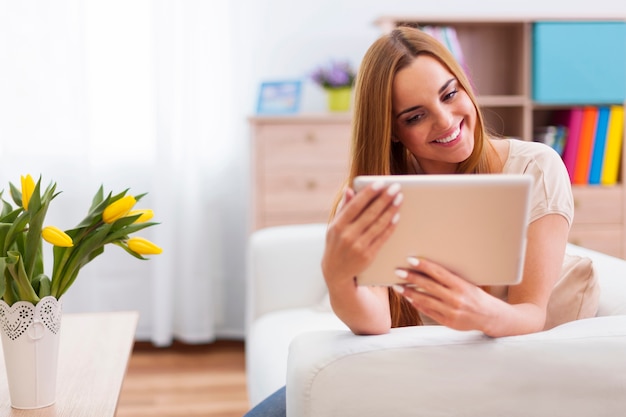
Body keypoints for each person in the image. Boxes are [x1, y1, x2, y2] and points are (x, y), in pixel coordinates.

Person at [244, 25, 575, 416]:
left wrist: (480, 311)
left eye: (450, 93)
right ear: (394, 131)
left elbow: (532, 313)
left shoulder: (536, 167)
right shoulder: (378, 196)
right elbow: (376, 322)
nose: (446, 120)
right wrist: (337, 278)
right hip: (411, 366)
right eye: (416, 116)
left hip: (498, 369)